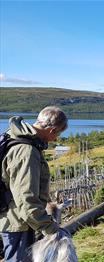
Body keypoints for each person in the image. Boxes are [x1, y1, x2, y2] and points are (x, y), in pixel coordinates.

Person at [0, 106, 69, 262]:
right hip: (18, 221)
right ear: (52, 130)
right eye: (57, 134)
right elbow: (26, 199)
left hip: (18, 218)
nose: (56, 139)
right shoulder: (27, 151)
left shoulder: (16, 136)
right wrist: (50, 228)